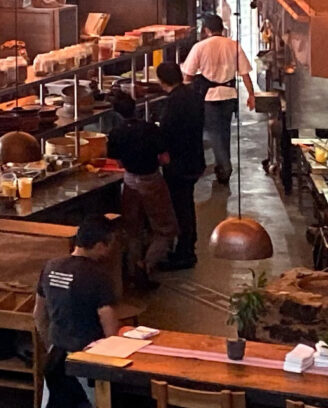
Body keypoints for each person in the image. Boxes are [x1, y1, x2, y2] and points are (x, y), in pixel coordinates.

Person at [33, 216, 122, 408]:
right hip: (89, 363)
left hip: (58, 359)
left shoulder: (50, 267)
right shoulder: (98, 277)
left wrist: (52, 344)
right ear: (98, 245)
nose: (110, 252)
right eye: (108, 245)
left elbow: (38, 314)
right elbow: (109, 328)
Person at [104, 102, 177, 274]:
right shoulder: (151, 129)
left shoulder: (116, 133)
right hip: (152, 181)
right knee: (165, 229)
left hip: (129, 182)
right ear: (135, 108)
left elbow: (119, 163)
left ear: (116, 114)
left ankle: (132, 269)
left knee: (132, 231)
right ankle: (147, 265)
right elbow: (165, 159)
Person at [181, 16, 254, 180]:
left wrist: (185, 95)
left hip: (209, 96)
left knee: (213, 132)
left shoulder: (199, 47)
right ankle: (221, 167)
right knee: (225, 131)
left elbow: (188, 75)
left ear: (206, 30)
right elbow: (245, 74)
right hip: (229, 95)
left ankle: (225, 166)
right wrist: (251, 95)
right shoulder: (233, 45)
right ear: (222, 29)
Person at [152, 58, 206, 269]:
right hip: (194, 158)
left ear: (162, 80)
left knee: (180, 207)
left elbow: (166, 131)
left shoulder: (174, 102)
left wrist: (160, 149)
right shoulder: (192, 95)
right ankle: (188, 245)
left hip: (179, 163)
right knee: (186, 204)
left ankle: (185, 253)